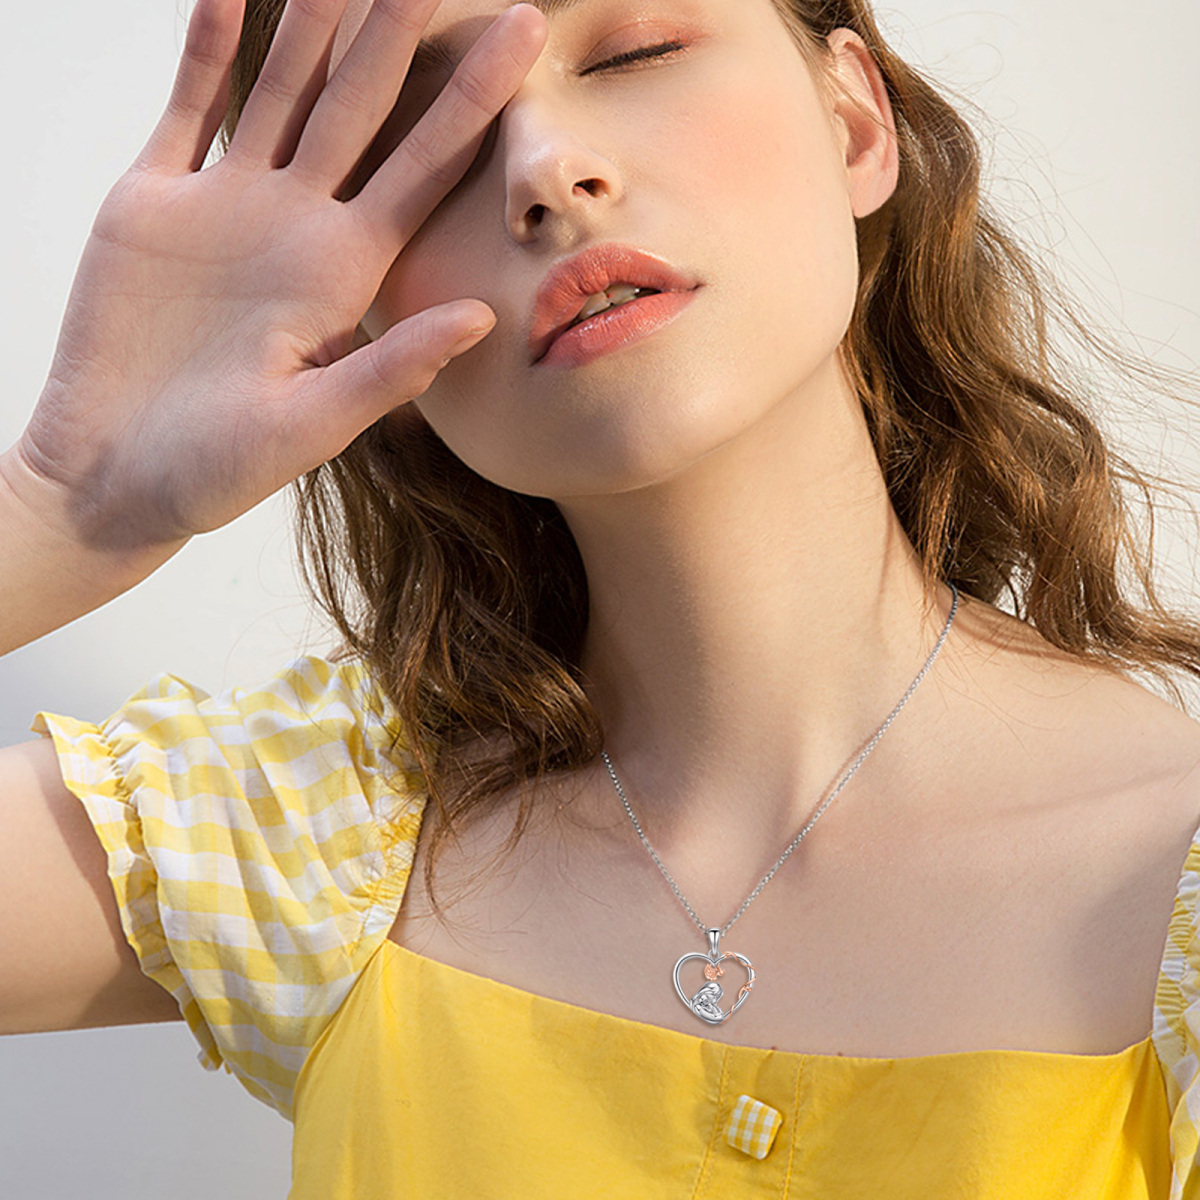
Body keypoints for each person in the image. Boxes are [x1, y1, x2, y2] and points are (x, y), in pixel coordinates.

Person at [2, 0, 1199, 1194]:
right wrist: (61, 510)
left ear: (853, 124)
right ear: (357, 310)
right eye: (433, 129)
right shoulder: (312, 835)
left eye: (636, 52)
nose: (543, 170)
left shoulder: (1173, 877)